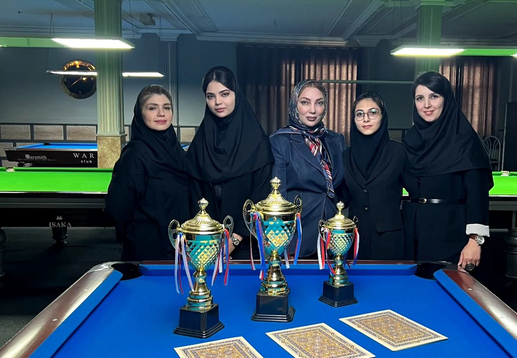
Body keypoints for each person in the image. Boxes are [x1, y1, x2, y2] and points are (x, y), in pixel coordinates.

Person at [402, 71, 492, 269]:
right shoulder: (410, 140)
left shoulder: (465, 140)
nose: (426, 105)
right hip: (412, 237)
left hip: (451, 237)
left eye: (434, 96)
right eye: (420, 98)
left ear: (446, 99)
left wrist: (474, 241)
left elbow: (477, 195)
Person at [186, 66, 273, 259]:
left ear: (236, 94)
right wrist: (208, 244)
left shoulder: (257, 142)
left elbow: (260, 197)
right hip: (205, 246)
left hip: (247, 247)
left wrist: (234, 240)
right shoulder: (200, 145)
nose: (218, 102)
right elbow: (193, 197)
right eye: (210, 96)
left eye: (224, 94)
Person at [105, 85, 190, 260]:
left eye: (167, 108)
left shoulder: (177, 152)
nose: (161, 113)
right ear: (140, 114)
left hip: (179, 251)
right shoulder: (134, 156)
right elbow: (118, 209)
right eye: (152, 108)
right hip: (146, 253)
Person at [270, 80, 345, 257]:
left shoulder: (335, 140)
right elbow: (278, 195)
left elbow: (343, 188)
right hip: (298, 237)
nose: (313, 110)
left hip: (333, 236)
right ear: (294, 104)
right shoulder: (280, 140)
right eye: (305, 102)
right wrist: (281, 242)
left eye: (319, 103)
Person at [341, 92, 405, 259]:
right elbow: (342, 197)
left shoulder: (399, 152)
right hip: (354, 240)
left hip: (389, 242)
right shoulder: (345, 156)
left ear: (383, 116)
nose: (366, 119)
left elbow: (415, 193)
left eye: (373, 112)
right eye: (359, 114)